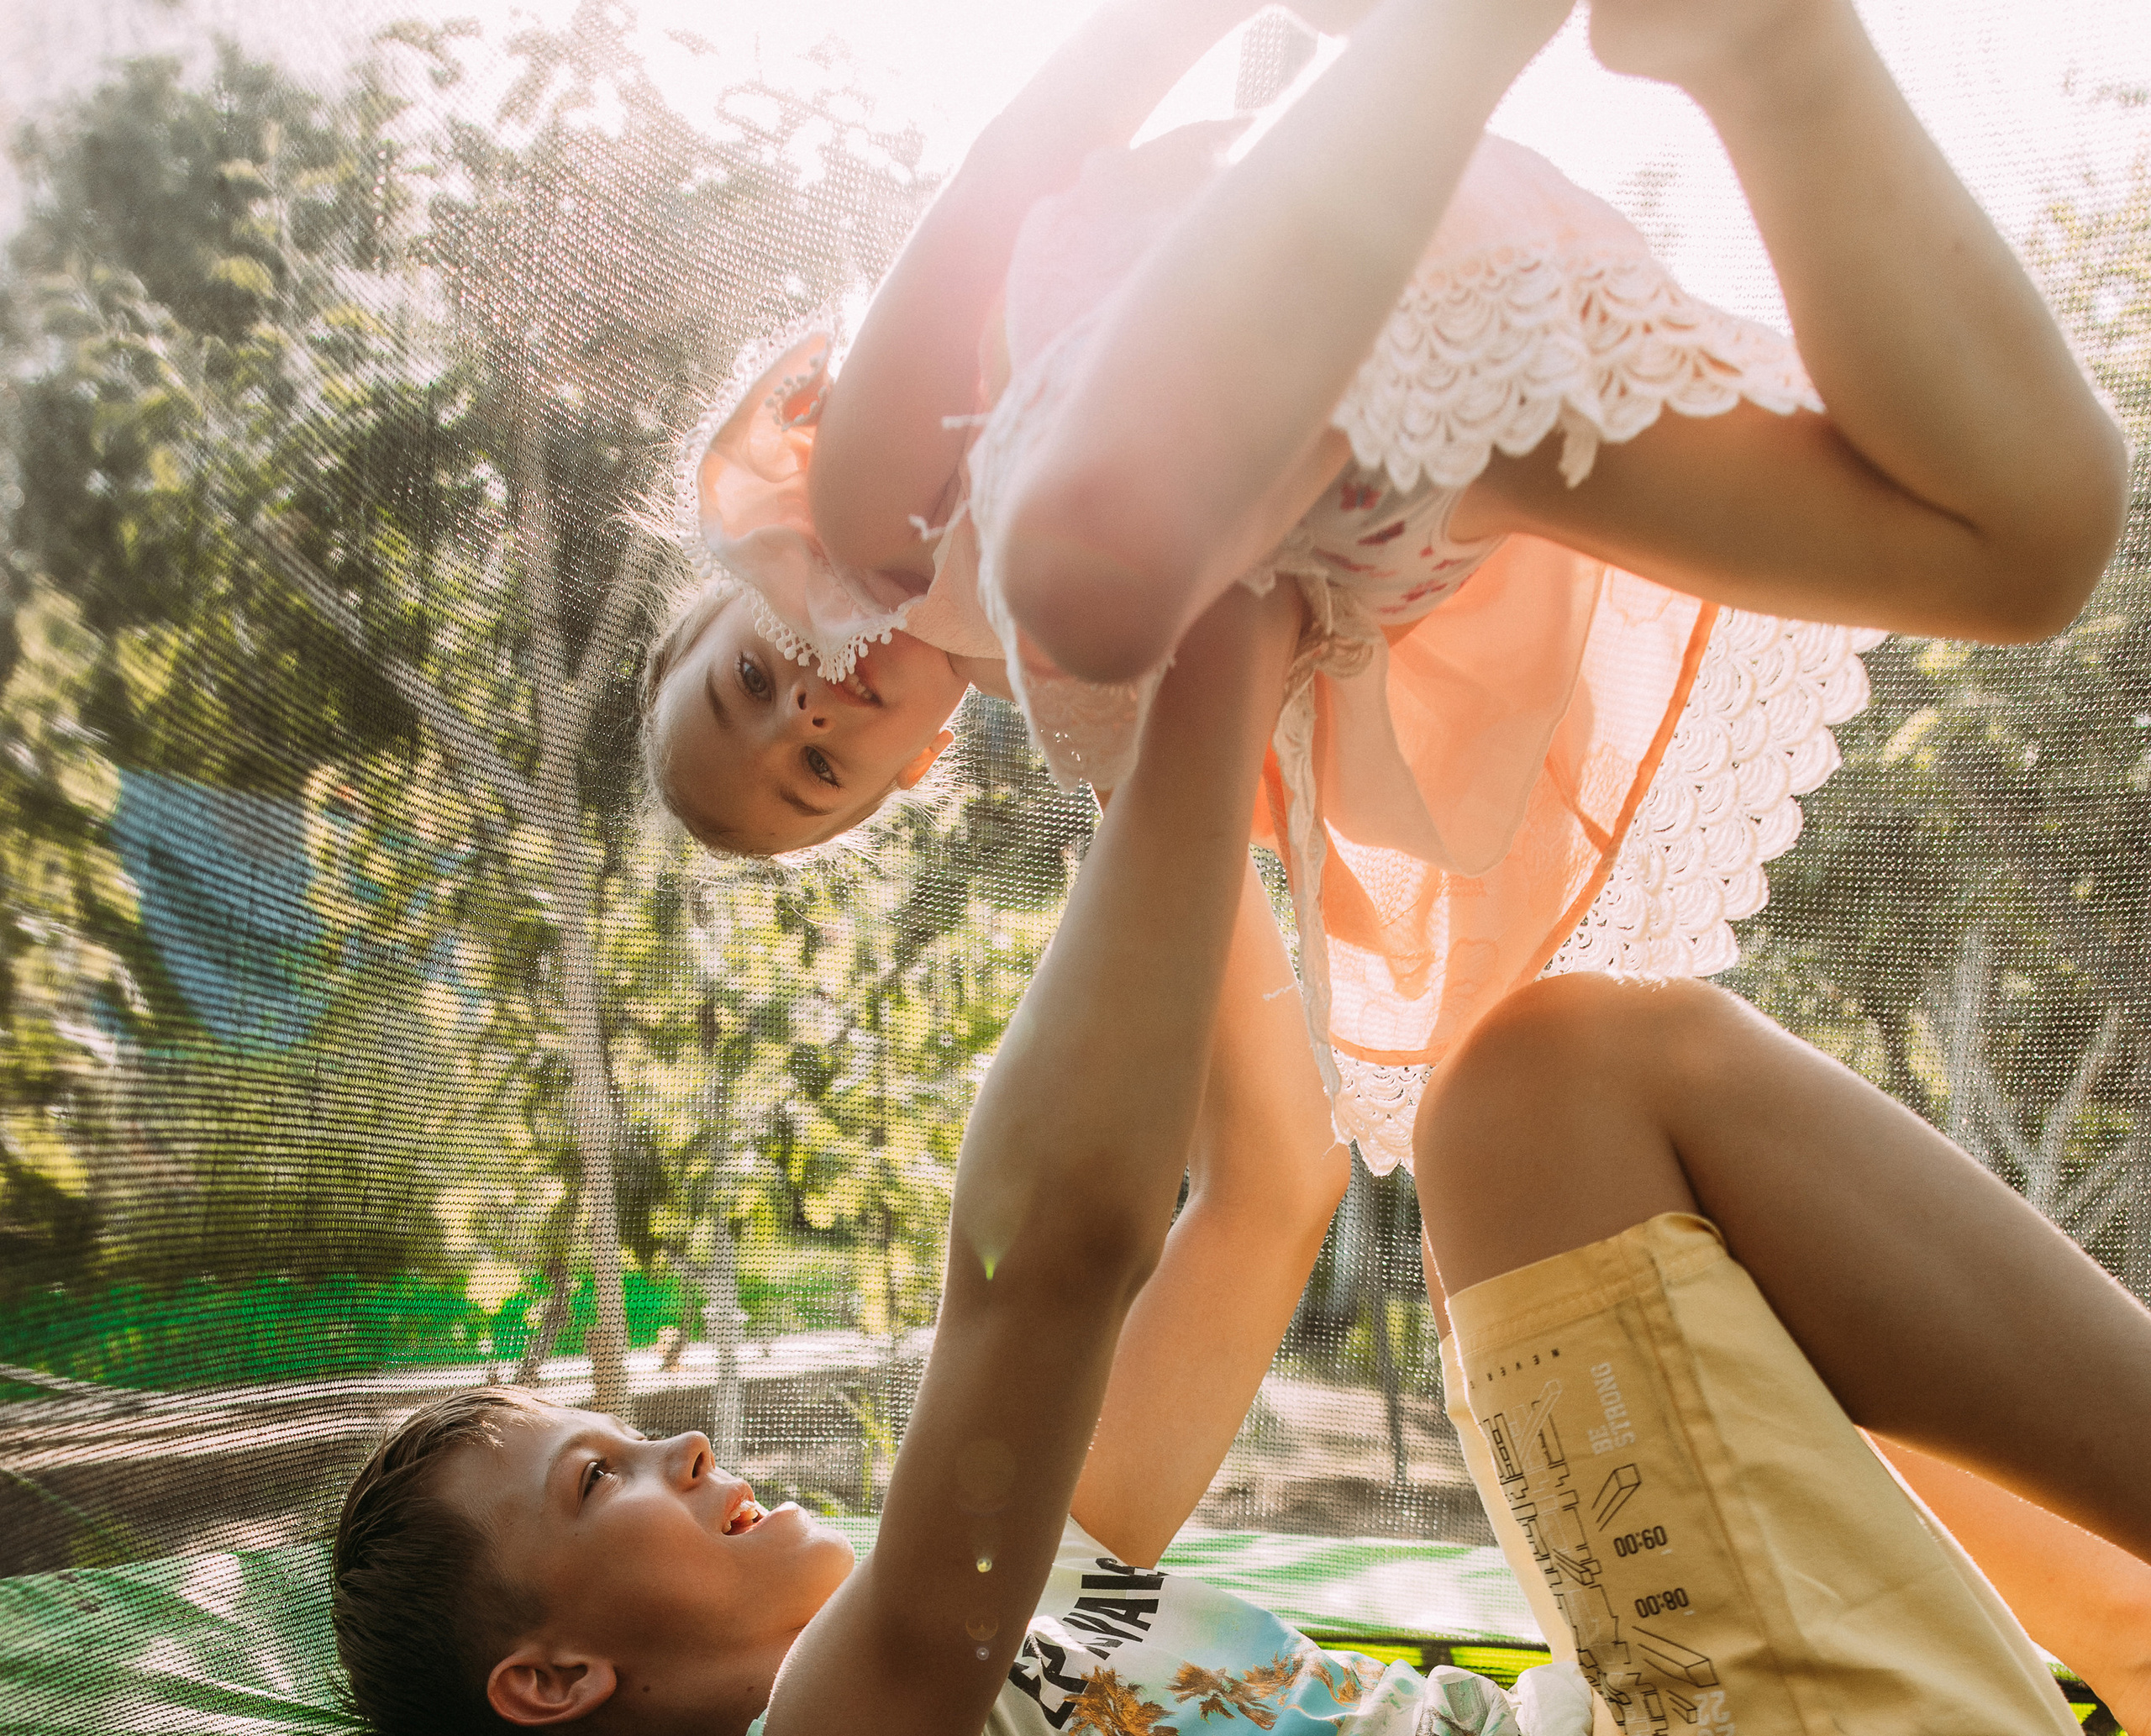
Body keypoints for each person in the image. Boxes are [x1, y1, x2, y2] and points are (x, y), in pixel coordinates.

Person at [337, 579, 2146, 1736]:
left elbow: (1262, 1192)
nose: (668, 1443)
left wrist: (1130, 763)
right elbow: (1040, 1277)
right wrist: (1210, 654)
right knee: (1535, 1098)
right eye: (597, 1482)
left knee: (1571, 1194)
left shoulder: (1014, 1587)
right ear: (557, 1673)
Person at [642, 0, 2124, 1165]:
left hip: (1283, 272)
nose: (810, 708)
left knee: (1067, 577)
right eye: (821, 766)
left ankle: (1456, 31)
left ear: (734, 596)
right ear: (913, 772)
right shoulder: (1092, 719)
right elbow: (1242, 1120)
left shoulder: (879, 502)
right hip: (1445, 449)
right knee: (2019, 554)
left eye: (752, 681)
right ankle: (1763, 43)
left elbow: (1012, 169)